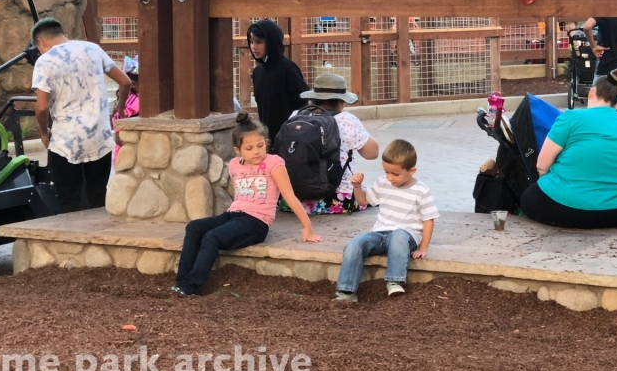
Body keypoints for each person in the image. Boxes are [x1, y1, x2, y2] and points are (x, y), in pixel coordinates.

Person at [173, 112, 322, 295]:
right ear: (238, 150)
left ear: (266, 143)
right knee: (194, 227)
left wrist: (307, 227)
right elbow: (241, 196)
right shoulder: (235, 164)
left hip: (257, 221)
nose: (256, 151)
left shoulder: (274, 163)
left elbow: (289, 195)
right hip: (234, 215)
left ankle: (191, 286)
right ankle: (181, 281)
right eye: (249, 148)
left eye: (260, 146)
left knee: (212, 237)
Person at [519, 69, 617, 229]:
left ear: (591, 93)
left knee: (528, 197)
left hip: (569, 207)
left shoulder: (570, 117)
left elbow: (542, 165)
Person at [31, 17, 131, 213]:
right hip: (99, 138)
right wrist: (120, 109)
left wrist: (44, 132)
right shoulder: (92, 49)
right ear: (64, 36)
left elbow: (41, 108)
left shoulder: (45, 61)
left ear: (41, 42)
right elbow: (125, 82)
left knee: (68, 200)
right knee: (98, 196)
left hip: (65, 143)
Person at [336, 139, 439, 301]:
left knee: (398, 235)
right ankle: (346, 291)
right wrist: (357, 187)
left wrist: (423, 248)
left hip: (406, 236)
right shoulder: (382, 182)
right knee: (355, 244)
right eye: (386, 172)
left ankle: (394, 281)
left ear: (412, 171)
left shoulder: (421, 191)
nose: (390, 178)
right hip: (380, 233)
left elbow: (428, 220)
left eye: (395, 174)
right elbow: (364, 202)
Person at [277, 72, 380, 215]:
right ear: (341, 101)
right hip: (337, 200)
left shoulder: (295, 116)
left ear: (313, 98)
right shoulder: (347, 119)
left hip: (292, 199)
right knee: (372, 195)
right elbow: (372, 153)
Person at [247, 20, 309, 143]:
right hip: (268, 139)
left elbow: (303, 103)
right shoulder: (257, 72)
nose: (254, 47)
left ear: (271, 42)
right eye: (251, 42)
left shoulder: (288, 68)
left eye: (259, 42)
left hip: (290, 139)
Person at [112, 56, 140, 165]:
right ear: (133, 84)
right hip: (125, 145)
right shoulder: (134, 99)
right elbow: (118, 115)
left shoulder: (136, 97)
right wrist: (118, 133)